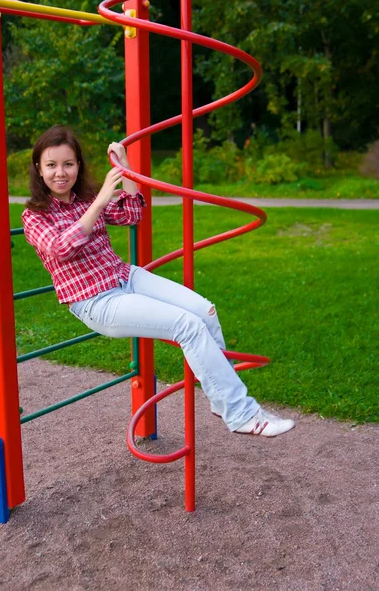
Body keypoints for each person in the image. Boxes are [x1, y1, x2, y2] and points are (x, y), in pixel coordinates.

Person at [22, 125, 295, 437]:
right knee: (186, 326)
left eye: (68, 164)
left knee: (204, 311)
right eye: (52, 165)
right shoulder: (34, 215)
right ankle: (243, 414)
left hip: (126, 277)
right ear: (39, 169)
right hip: (96, 301)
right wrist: (98, 202)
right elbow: (62, 249)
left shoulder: (84, 198)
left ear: (79, 166)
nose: (61, 173)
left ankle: (222, 399)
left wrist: (125, 170)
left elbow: (132, 213)